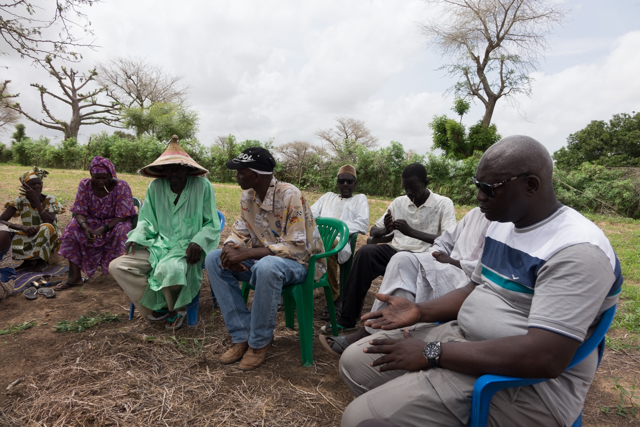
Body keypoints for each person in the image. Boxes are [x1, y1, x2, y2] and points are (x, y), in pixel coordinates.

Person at [339, 136, 622, 427]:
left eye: (489, 189)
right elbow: (474, 288)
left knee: (360, 418)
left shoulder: (577, 251)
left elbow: (546, 356)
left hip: (522, 385)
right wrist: (421, 311)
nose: (479, 197)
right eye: (477, 185)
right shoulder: (504, 226)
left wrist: (431, 353)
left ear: (531, 185)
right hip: (463, 340)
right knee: (354, 362)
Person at [205, 147, 326, 371]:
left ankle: (259, 342)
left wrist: (248, 253)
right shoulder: (248, 196)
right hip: (264, 262)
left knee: (267, 267)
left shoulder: (289, 194)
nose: (237, 176)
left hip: (301, 265)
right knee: (213, 258)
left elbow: (296, 247)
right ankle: (242, 334)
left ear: (257, 175)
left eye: (241, 172)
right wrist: (231, 249)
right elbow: (240, 231)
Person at [321, 207, 489, 356]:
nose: (480, 195)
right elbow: (443, 242)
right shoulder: (475, 214)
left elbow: (488, 271)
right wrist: (436, 256)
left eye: (487, 187)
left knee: (410, 275)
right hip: (431, 260)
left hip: (466, 278)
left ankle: (374, 334)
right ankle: (381, 332)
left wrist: (451, 261)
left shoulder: (443, 204)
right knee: (400, 260)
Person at [321, 163, 456, 335]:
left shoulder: (443, 204)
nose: (409, 193)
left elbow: (448, 240)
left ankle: (389, 324)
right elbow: (374, 231)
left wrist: (411, 232)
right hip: (396, 250)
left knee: (401, 260)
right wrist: (386, 229)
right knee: (365, 253)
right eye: (405, 188)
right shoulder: (399, 202)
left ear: (426, 182)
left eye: (413, 188)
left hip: (425, 256)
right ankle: (347, 319)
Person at [110, 136, 220, 330]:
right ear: (163, 170)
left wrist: (199, 241)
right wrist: (136, 236)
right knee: (118, 266)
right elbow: (146, 220)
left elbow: (211, 223)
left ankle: (177, 308)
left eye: (178, 167)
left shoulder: (202, 186)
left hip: (188, 247)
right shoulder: (155, 187)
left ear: (188, 169)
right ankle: (155, 307)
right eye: (169, 168)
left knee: (171, 268)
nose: (174, 172)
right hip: (159, 245)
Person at [56, 157, 136, 290]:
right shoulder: (85, 185)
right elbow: (79, 211)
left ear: (111, 175)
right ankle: (75, 278)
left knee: (123, 230)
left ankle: (122, 278)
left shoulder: (121, 186)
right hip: (92, 223)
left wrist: (103, 229)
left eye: (104, 177)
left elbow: (123, 215)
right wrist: (86, 227)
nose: (100, 181)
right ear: (91, 175)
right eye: (96, 178)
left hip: (114, 223)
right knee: (71, 229)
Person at [311, 164, 369, 318]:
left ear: (355, 184)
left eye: (349, 181)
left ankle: (335, 298)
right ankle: (294, 288)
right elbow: (310, 214)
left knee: (327, 246)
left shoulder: (359, 199)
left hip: (340, 241)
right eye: (342, 181)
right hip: (319, 236)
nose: (345, 184)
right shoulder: (328, 196)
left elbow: (362, 224)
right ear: (337, 183)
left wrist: (335, 229)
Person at [0, 166, 65, 272]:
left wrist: (36, 201)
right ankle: (29, 261)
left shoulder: (49, 199)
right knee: (5, 232)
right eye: (32, 184)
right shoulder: (20, 200)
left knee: (46, 227)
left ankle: (42, 261)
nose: (37, 186)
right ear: (24, 187)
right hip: (30, 234)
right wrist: (21, 227)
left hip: (49, 237)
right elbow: (1, 220)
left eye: (39, 183)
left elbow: (49, 221)